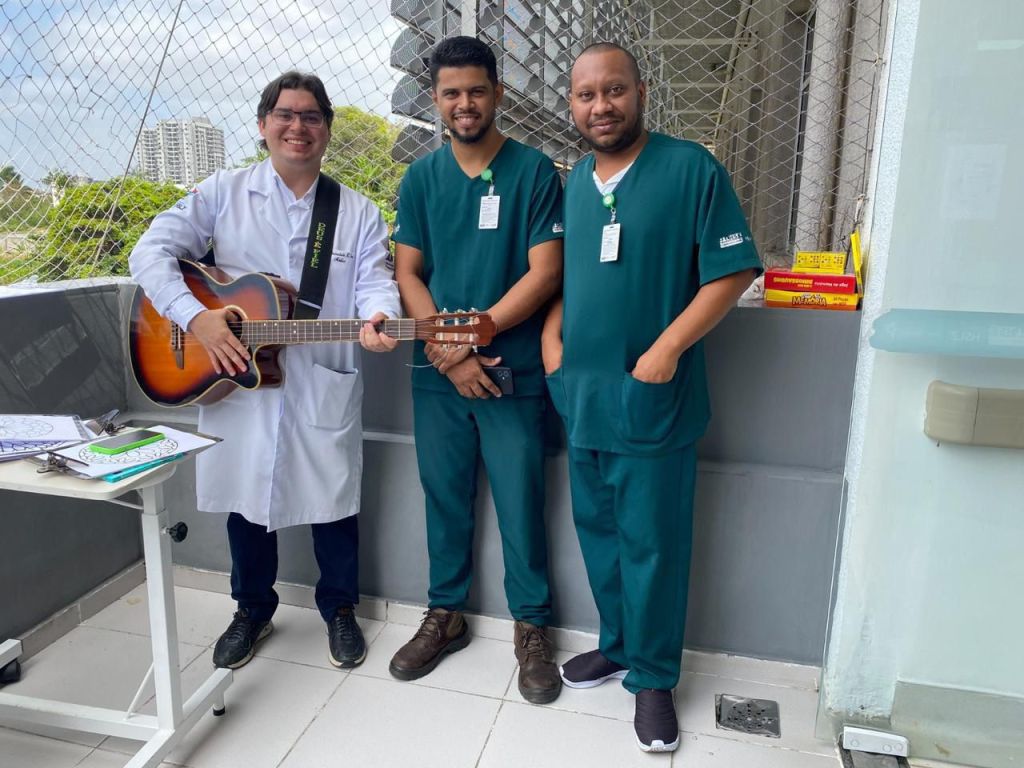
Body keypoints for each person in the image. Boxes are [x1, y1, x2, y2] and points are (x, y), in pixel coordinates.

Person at [129, 71, 401, 671]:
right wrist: (197, 318)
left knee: (334, 499)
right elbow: (148, 253)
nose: (297, 127)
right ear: (262, 125)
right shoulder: (221, 192)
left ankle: (340, 609)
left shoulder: (355, 211)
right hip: (235, 377)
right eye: (285, 114)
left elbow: (375, 280)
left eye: (311, 116)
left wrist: (381, 315)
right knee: (246, 499)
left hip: (320, 377)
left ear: (327, 128)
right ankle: (251, 609)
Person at [543, 43, 761, 752]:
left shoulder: (689, 169)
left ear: (640, 91)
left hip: (652, 399)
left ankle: (655, 678)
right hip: (583, 397)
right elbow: (572, 278)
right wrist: (551, 340)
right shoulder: (577, 183)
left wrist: (667, 349)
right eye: (586, 95)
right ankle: (618, 646)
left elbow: (732, 272)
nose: (600, 107)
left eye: (613, 91)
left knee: (653, 546)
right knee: (600, 536)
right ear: (572, 104)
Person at [390, 36, 564, 704]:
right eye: (451, 93)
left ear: (497, 93)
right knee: (444, 496)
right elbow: (408, 272)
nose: (464, 103)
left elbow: (546, 272)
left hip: (510, 371)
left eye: (476, 91)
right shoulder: (422, 179)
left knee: (522, 501)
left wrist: (474, 336)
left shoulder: (534, 172)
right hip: (438, 373)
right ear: (435, 99)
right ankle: (446, 614)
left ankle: (532, 629)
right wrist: (449, 349)